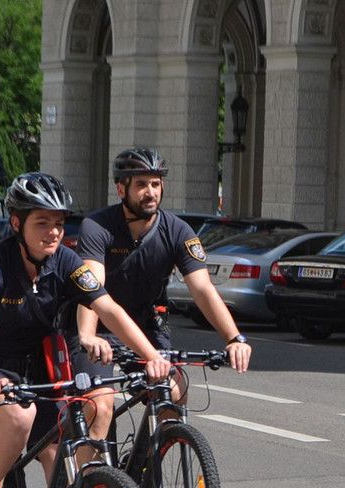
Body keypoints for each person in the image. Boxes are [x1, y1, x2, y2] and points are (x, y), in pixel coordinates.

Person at [0, 171, 171, 488]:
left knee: (64, 483)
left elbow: (108, 309)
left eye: (58, 222)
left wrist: (151, 356)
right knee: (18, 418)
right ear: (17, 223)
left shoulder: (66, 262)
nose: (53, 231)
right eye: (42, 222)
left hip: (42, 375)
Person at [69, 147, 252, 441]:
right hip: (99, 328)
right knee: (99, 406)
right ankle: (93, 470)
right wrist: (88, 336)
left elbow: (203, 288)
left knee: (173, 390)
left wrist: (234, 338)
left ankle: (150, 460)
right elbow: (92, 289)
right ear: (121, 189)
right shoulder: (97, 226)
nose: (150, 192)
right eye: (141, 184)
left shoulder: (178, 231)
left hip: (148, 324)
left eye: (156, 184)